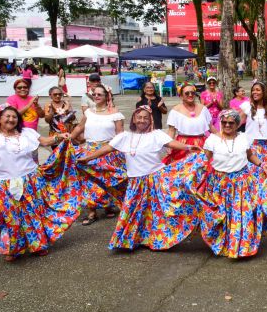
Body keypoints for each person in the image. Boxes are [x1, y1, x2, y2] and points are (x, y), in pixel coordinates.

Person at [76, 106, 204, 251]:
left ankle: (158, 240)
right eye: (139, 117)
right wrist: (87, 158)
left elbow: (171, 143)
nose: (142, 120)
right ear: (134, 120)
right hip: (135, 182)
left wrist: (188, 148)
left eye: (145, 118)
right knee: (133, 211)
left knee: (156, 213)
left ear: (150, 120)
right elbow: (106, 149)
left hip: (156, 179)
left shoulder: (156, 135)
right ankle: (131, 239)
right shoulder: (124, 136)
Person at [0, 105, 74, 261]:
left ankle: (38, 245)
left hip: (31, 180)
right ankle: (12, 248)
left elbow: (44, 141)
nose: (11, 119)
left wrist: (60, 137)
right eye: (7, 116)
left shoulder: (27, 133)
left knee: (33, 214)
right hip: (4, 186)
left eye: (14, 117)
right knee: (10, 217)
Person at [195, 109, 267, 258]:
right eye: (224, 122)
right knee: (223, 216)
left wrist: (261, 164)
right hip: (220, 184)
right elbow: (203, 160)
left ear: (237, 124)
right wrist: (192, 174)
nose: (227, 125)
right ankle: (224, 244)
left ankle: (242, 247)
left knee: (242, 215)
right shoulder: (212, 140)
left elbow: (250, 155)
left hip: (242, 183)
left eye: (231, 122)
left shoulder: (244, 138)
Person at [70, 84, 126, 225]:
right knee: (89, 181)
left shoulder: (115, 113)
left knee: (107, 181)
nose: (96, 96)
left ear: (107, 96)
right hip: (89, 149)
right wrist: (69, 138)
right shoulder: (88, 112)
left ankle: (107, 206)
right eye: (94, 94)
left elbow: (120, 134)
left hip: (108, 150)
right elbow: (79, 127)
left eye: (99, 94)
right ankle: (92, 212)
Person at [163, 83, 216, 164]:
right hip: (182, 144)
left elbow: (211, 127)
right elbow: (171, 131)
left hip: (201, 144)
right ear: (181, 96)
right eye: (187, 93)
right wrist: (169, 145)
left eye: (192, 93)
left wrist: (222, 136)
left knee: (202, 169)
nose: (190, 95)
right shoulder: (175, 111)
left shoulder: (203, 109)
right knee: (182, 170)